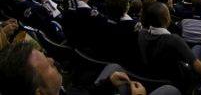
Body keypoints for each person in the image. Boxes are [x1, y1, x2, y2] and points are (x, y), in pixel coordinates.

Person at [0, 42, 180, 95]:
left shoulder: (55, 91)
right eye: (47, 65)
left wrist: (107, 84)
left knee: (113, 68)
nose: (52, 60)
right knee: (170, 90)